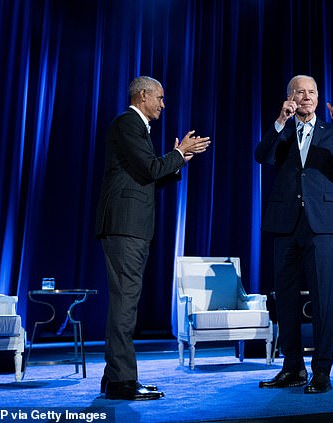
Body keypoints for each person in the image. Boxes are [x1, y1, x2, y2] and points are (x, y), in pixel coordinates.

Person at [95, 76, 211, 400]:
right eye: (160, 97)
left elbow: (144, 177)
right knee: (125, 305)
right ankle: (122, 382)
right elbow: (149, 169)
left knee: (124, 302)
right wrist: (177, 153)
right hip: (125, 227)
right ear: (143, 95)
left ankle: (113, 377)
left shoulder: (136, 128)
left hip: (130, 227)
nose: (163, 104)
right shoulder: (128, 123)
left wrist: (177, 160)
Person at [255, 75, 333, 393]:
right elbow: (261, 156)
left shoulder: (332, 132)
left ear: (320, 99)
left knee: (323, 299)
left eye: (312, 92)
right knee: (287, 300)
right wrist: (280, 120)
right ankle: (292, 368)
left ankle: (321, 372)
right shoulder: (283, 131)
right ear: (289, 97)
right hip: (285, 223)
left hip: (323, 225)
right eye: (300, 92)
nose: (307, 97)